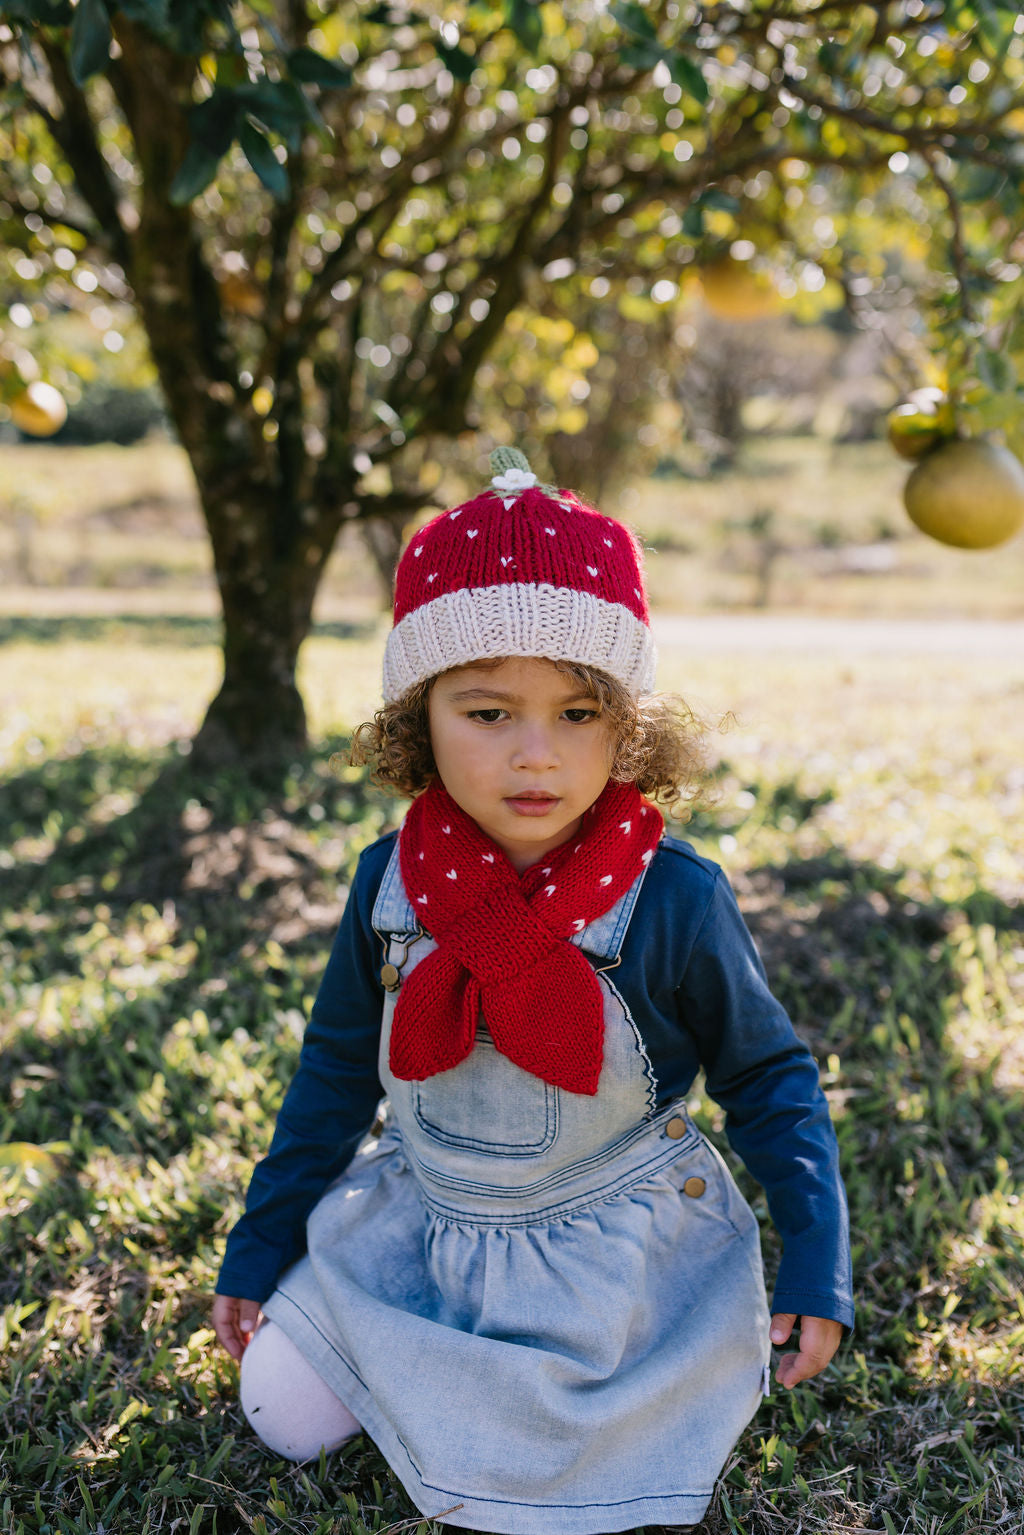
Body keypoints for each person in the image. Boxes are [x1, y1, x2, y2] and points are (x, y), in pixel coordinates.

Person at [212, 447, 853, 1533]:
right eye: (487, 711)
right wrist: (263, 1237)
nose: (535, 755)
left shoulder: (674, 897)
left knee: (627, 1443)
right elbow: (331, 1069)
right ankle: (411, 1361)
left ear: (629, 722)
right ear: (416, 718)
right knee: (280, 1408)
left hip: (607, 1241)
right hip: (431, 1217)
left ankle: (599, 1388)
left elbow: (769, 1075)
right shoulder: (389, 878)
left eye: (578, 712)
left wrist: (818, 1262)